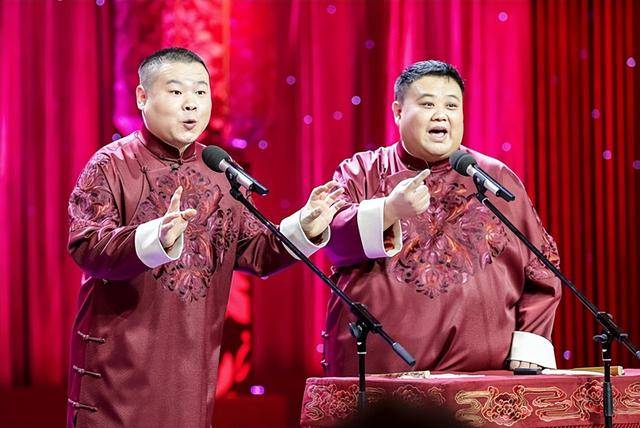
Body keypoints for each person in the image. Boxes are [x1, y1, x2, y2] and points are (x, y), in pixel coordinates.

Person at [66, 47, 345, 427]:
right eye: (176, 91)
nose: (191, 104)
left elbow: (255, 251)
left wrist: (306, 226)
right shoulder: (111, 165)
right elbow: (87, 245)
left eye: (200, 92)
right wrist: (155, 237)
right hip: (120, 365)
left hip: (192, 366)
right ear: (142, 97)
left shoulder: (219, 170)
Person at [323, 60, 562, 376]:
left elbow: (542, 265)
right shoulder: (361, 172)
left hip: (481, 383)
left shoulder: (494, 179)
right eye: (427, 104)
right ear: (398, 112)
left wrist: (530, 341)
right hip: (380, 382)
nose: (441, 114)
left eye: (451, 105)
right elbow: (330, 240)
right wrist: (389, 210)